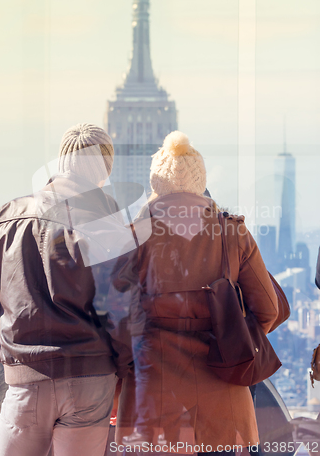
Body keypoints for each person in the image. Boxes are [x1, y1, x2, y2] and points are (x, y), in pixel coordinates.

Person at [113, 131, 279, 456]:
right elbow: (268, 311)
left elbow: (114, 323)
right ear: (200, 180)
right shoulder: (232, 232)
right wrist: (229, 334)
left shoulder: (131, 237)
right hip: (223, 401)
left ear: (156, 183)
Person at [0, 123, 133, 456]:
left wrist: (5, 354)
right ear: (103, 171)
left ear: (62, 162)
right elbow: (123, 310)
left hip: (25, 379)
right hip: (90, 378)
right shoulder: (109, 223)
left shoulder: (5, 218)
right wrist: (121, 370)